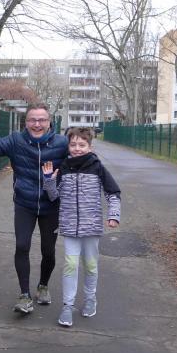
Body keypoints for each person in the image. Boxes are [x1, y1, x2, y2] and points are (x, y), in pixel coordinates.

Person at [0, 103, 68, 314]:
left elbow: (79, 160)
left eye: (42, 120)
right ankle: (24, 295)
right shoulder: (16, 141)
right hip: (24, 203)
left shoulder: (62, 143)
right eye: (32, 120)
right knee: (22, 245)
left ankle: (43, 286)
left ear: (49, 122)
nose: (37, 124)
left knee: (48, 250)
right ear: (25, 122)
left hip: (51, 205)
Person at [42, 127, 121, 327]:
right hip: (69, 227)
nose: (77, 148)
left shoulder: (97, 167)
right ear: (68, 146)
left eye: (82, 145)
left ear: (89, 147)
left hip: (91, 227)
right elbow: (54, 196)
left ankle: (90, 298)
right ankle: (67, 306)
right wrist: (49, 180)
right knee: (70, 265)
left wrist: (113, 215)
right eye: (73, 144)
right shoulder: (63, 167)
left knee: (91, 265)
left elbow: (113, 193)